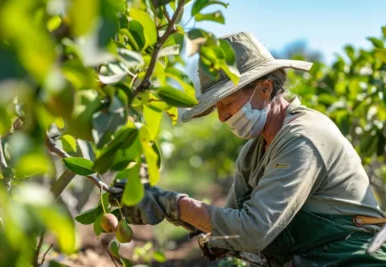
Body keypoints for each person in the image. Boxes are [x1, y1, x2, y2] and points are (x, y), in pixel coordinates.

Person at [110, 32, 386, 266]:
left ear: (265, 89)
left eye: (227, 104)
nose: (221, 117)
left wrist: (177, 206)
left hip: (351, 258)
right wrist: (166, 208)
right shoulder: (253, 154)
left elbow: (253, 231)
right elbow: (231, 228)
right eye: (217, 108)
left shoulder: (303, 137)